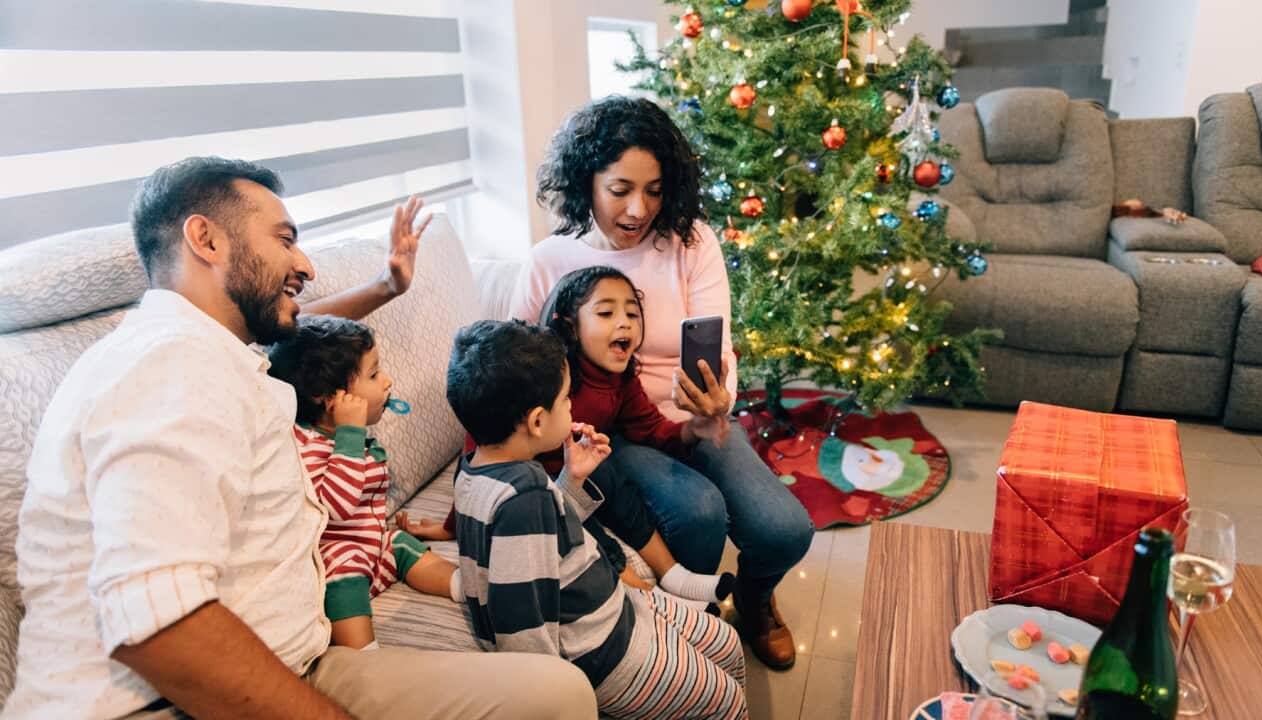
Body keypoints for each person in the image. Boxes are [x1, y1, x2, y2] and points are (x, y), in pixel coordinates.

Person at [5, 156, 595, 719]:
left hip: (299, 662)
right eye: (284, 240)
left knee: (557, 695)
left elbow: (305, 331)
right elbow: (156, 624)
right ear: (206, 240)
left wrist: (387, 287)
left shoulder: (211, 353)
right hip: (162, 704)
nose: (306, 264)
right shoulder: (168, 367)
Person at [509, 95, 815, 669]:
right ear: (586, 181)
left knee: (786, 528)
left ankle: (754, 596)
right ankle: (689, 627)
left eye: (653, 190)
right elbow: (517, 368)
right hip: (608, 428)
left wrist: (713, 404)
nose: (638, 209)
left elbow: (717, 347)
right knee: (697, 509)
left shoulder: (691, 243)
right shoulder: (550, 259)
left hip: (694, 419)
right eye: (620, 189)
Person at [445, 319, 748, 720]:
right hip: (606, 651)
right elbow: (522, 633)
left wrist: (571, 479)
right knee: (727, 701)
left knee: (725, 640)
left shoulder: (475, 470)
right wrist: (560, 699)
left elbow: (541, 543)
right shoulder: (524, 496)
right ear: (537, 421)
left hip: (616, 604)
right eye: (567, 398)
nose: (572, 407)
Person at [536, 265, 734, 606]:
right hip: (541, 486)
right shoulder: (549, 375)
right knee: (581, 533)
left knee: (608, 472)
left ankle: (673, 575)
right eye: (606, 312)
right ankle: (655, 600)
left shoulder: (621, 379)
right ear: (570, 326)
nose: (625, 322)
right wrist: (456, 519)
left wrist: (693, 429)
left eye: (632, 312)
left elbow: (651, 428)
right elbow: (490, 435)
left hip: (582, 473)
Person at [267, 315, 464, 652]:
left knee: (401, 543)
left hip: (372, 547)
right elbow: (338, 510)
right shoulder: (307, 445)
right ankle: (363, 655)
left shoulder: (347, 438)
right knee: (341, 567)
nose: (387, 382)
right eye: (373, 374)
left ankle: (468, 588)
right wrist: (350, 435)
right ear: (327, 397)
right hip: (335, 554)